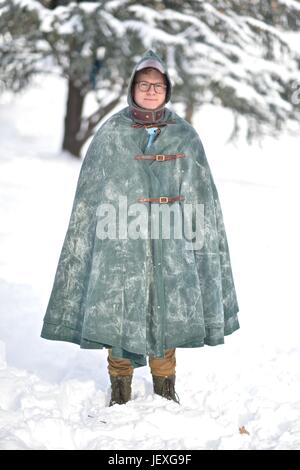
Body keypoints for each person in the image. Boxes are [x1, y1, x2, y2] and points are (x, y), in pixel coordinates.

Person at [41, 49, 240, 407]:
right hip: (119, 242)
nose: (151, 90)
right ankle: (120, 391)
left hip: (172, 243)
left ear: (168, 90)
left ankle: (165, 389)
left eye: (158, 85)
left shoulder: (185, 136)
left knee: (166, 314)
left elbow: (201, 197)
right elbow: (92, 199)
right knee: (121, 311)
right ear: (132, 88)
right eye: (144, 84)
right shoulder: (111, 134)